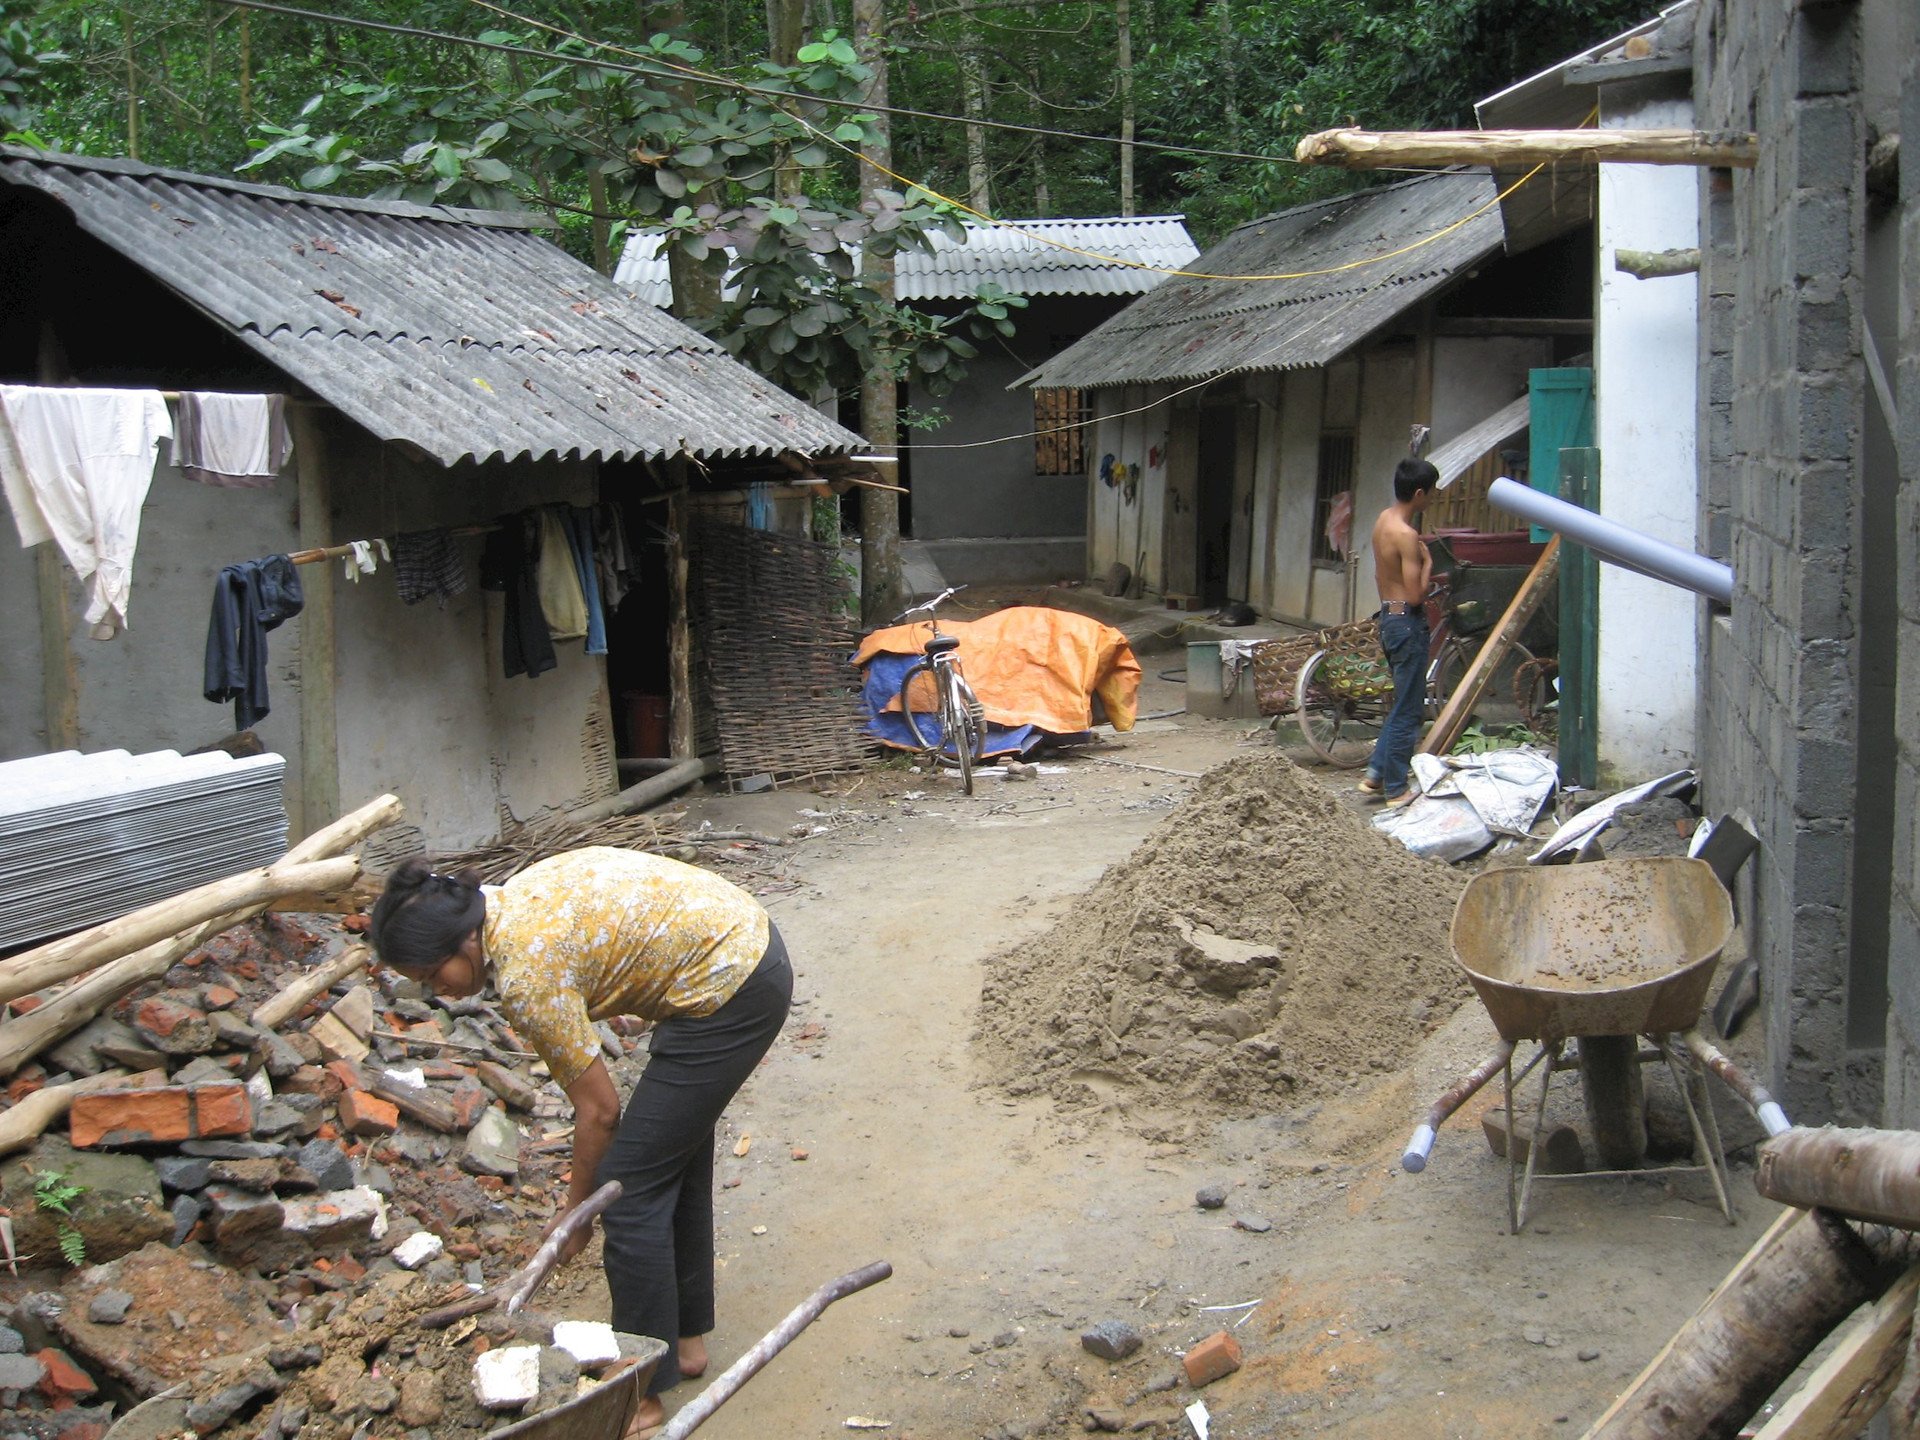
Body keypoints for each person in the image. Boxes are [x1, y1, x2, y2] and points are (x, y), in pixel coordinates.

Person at [368, 847, 792, 1439]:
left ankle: (640, 1396)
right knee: (672, 1156)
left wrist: (577, 1212)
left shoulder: (526, 973)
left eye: (434, 975)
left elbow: (599, 1111)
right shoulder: (507, 902)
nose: (439, 991)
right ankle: (682, 1344)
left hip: (730, 984)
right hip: (740, 949)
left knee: (630, 1189)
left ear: (466, 944)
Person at [1358, 457, 1439, 806]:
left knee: (1401, 702)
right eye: (1431, 493)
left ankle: (1376, 774)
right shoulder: (1407, 535)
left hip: (1389, 618)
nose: (1432, 499)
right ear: (1419, 493)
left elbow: (1381, 576)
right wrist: (1429, 567)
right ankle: (1396, 789)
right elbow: (1416, 594)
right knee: (1409, 710)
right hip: (1407, 620)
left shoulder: (1382, 521)